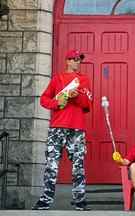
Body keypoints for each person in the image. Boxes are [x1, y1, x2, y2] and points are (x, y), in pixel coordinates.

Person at [32, 49, 92, 211]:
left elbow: (88, 105)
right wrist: (57, 103)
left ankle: (79, 200)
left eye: (80, 59)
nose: (78, 62)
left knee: (78, 165)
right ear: (67, 61)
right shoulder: (57, 79)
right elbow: (44, 99)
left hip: (77, 128)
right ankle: (45, 200)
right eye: (75, 59)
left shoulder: (83, 80)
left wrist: (76, 97)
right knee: (51, 164)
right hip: (57, 127)